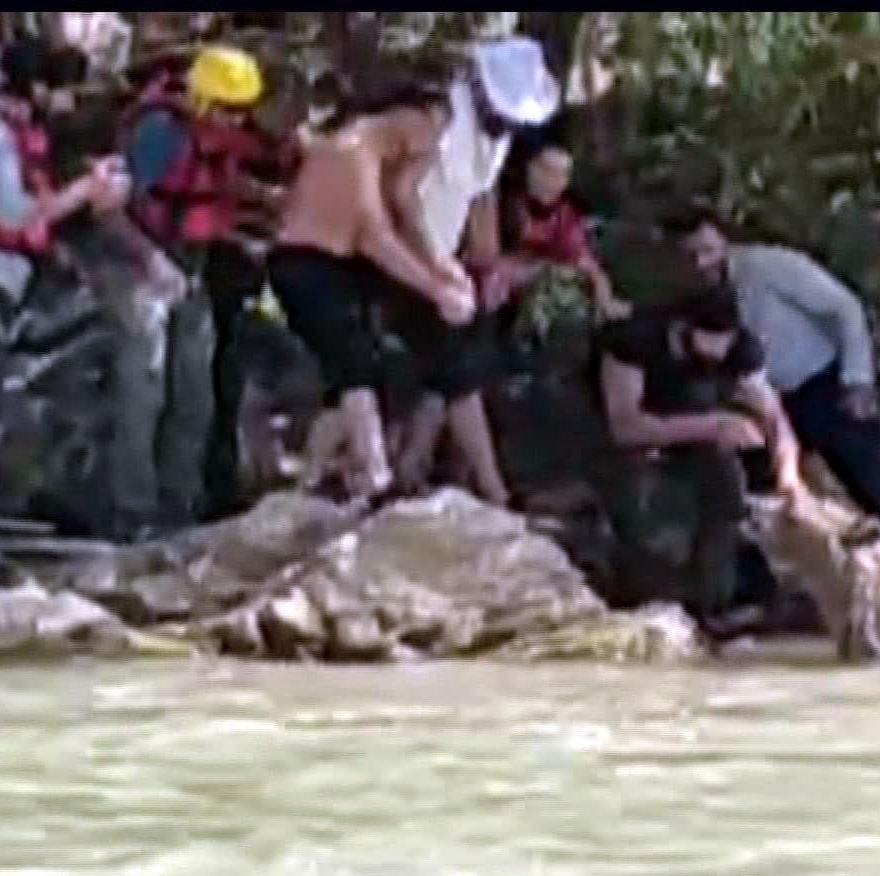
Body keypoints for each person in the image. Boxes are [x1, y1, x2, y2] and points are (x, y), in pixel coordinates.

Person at [0, 37, 130, 586]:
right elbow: (13, 215)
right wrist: (85, 190)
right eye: (64, 90)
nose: (70, 103)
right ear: (37, 88)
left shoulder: (15, 134)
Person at [662, 204, 880, 547]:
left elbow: (844, 307)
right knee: (761, 486)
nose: (701, 263)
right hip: (765, 394)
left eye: (707, 251)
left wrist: (857, 377)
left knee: (871, 483)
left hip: (824, 379)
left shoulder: (771, 266)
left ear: (723, 238)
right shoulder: (691, 291)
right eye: (690, 256)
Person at [89, 44, 270, 541]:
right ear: (207, 101)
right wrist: (149, 259)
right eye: (232, 109)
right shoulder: (160, 133)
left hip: (190, 269)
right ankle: (133, 510)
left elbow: (201, 210)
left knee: (195, 392)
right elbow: (107, 208)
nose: (240, 120)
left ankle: (179, 503)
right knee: (143, 386)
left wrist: (243, 242)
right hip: (137, 267)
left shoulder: (214, 138)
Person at [267, 80, 474, 503]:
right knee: (355, 360)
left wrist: (440, 269)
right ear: (406, 114)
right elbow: (374, 238)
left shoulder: (384, 159)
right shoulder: (352, 149)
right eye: (431, 127)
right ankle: (373, 471)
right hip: (306, 265)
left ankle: (316, 475)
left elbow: (404, 203)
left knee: (385, 359)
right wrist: (436, 289)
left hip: (342, 268)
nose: (433, 141)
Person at [382, 35, 563, 505]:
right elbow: (401, 195)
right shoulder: (441, 119)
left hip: (442, 262)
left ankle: (411, 468)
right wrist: (432, 263)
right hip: (397, 256)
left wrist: (490, 263)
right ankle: (488, 486)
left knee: (449, 368)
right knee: (444, 370)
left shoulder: (496, 133)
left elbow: (481, 195)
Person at [590, 287, 804, 636]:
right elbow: (625, 426)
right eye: (707, 340)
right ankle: (641, 597)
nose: (716, 352)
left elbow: (775, 417)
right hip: (625, 436)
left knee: (727, 482)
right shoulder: (634, 342)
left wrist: (789, 474)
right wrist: (713, 425)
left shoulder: (740, 352)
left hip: (696, 433)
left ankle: (713, 601)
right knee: (633, 492)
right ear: (682, 327)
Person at [479, 138, 628, 319]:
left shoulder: (566, 218)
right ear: (530, 167)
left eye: (560, 174)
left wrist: (605, 299)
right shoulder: (502, 196)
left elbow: (588, 267)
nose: (551, 178)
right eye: (545, 169)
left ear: (565, 182)